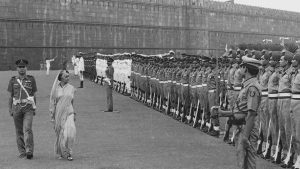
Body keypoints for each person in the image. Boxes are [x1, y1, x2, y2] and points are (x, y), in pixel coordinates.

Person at [214, 56, 262, 169]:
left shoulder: (252, 87)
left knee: (249, 163)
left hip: (247, 129)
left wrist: (245, 136)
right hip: (242, 126)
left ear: (245, 69)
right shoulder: (247, 85)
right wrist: (223, 113)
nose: (239, 68)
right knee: (242, 161)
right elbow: (241, 109)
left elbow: (251, 114)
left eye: (241, 66)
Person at [7, 59, 37, 159]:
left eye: (23, 67)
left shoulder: (31, 79)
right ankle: (22, 152)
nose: (22, 69)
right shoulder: (13, 80)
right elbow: (11, 96)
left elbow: (33, 95)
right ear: (17, 68)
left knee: (28, 128)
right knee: (19, 131)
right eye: (20, 67)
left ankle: (29, 151)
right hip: (16, 108)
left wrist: (34, 107)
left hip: (28, 108)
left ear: (26, 67)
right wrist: (10, 109)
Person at [49, 70, 76, 161]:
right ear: (60, 78)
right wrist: (52, 116)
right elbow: (53, 103)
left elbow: (72, 101)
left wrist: (74, 112)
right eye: (66, 76)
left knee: (70, 134)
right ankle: (61, 152)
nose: (68, 78)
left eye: (68, 76)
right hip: (59, 114)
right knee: (61, 134)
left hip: (69, 113)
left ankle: (69, 153)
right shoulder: (55, 89)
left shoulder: (71, 88)